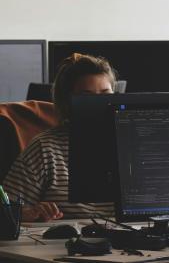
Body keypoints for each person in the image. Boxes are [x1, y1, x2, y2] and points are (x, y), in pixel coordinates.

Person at [2, 53, 116, 221]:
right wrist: (29, 213)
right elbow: (5, 213)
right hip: (68, 243)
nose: (98, 104)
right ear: (66, 102)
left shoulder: (132, 142)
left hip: (134, 240)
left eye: (106, 94)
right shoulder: (45, 147)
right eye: (87, 97)